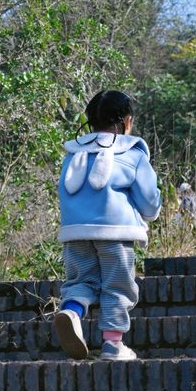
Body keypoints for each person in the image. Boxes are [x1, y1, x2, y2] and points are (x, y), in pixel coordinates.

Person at [54, 90, 161, 361]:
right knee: (117, 284)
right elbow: (149, 202)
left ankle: (72, 310)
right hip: (115, 232)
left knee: (82, 280)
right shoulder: (132, 152)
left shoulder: (73, 152)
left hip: (75, 232)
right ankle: (113, 345)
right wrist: (150, 211)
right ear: (127, 121)